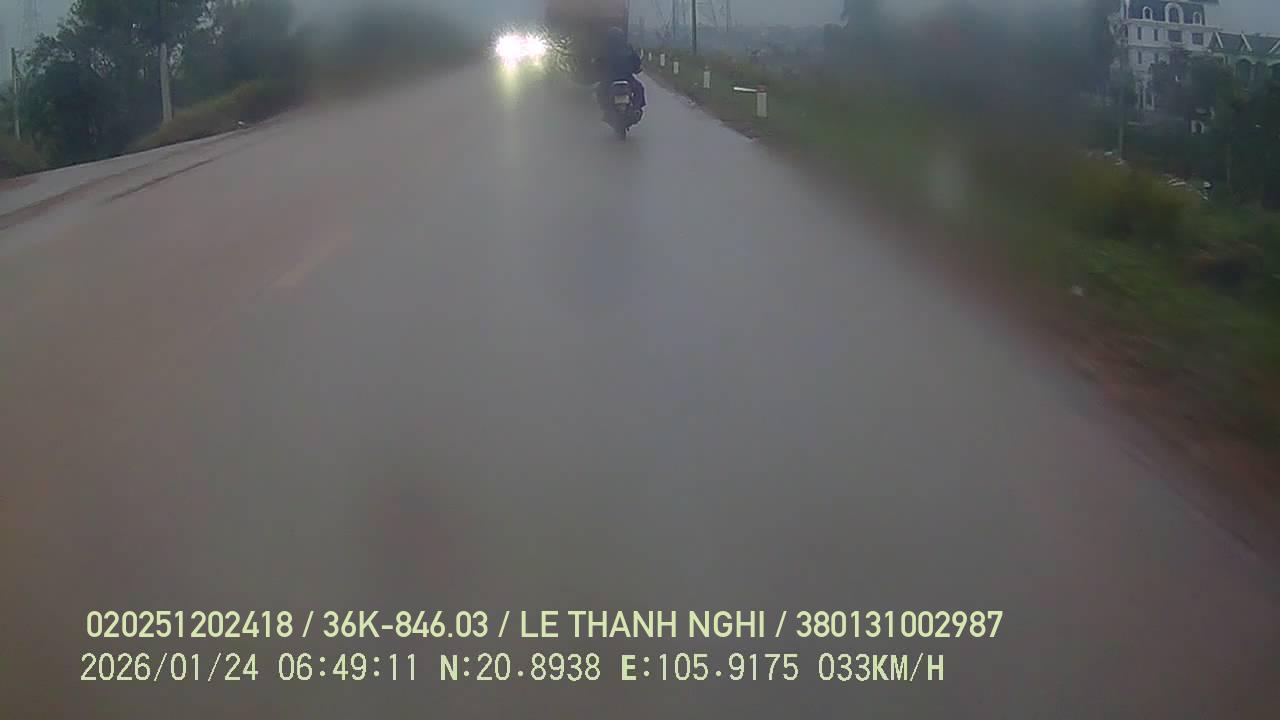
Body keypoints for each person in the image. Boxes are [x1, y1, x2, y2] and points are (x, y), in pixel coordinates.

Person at [593, 27, 646, 117]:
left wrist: (598, 72)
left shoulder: (604, 50)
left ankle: (605, 108)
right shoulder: (629, 48)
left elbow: (598, 64)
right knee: (639, 89)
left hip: (610, 79)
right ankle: (636, 108)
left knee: (600, 90)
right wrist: (637, 69)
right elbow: (637, 63)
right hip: (627, 79)